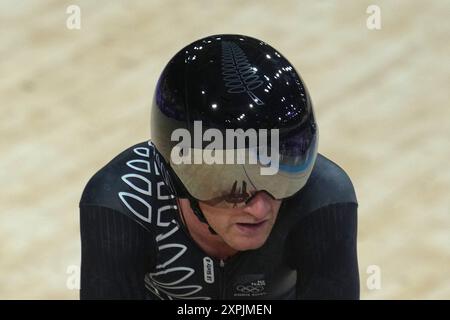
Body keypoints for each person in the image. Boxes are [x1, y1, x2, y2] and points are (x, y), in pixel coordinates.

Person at [79, 34, 359, 300]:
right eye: (231, 186)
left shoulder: (323, 198)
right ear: (176, 174)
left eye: (276, 175)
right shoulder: (122, 204)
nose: (260, 209)